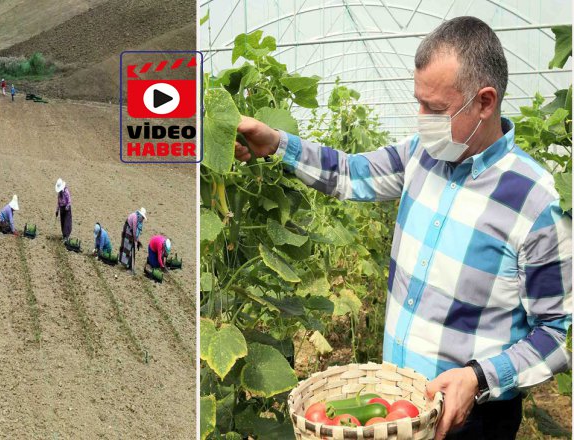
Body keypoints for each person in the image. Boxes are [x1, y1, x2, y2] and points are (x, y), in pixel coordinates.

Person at [231, 17, 571, 440]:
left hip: (470, 420)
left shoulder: (537, 201)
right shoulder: (421, 154)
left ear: (485, 102)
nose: (421, 118)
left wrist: (478, 378)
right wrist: (277, 143)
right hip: (396, 407)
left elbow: (554, 335)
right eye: (419, 102)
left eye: (436, 108)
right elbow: (351, 173)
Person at [119, 208, 146, 273]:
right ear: (140, 215)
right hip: (128, 229)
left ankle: (129, 266)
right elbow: (134, 230)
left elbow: (137, 232)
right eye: (142, 217)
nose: (143, 219)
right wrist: (136, 240)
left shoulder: (140, 222)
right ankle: (128, 266)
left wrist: (137, 240)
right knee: (127, 247)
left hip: (131, 231)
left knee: (131, 248)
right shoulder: (135, 217)